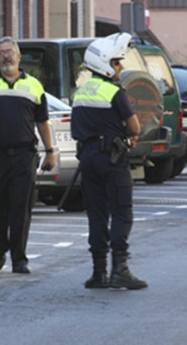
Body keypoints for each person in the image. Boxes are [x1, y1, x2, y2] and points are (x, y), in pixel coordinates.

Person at [70, 32, 147, 290]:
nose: (120, 67)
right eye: (116, 62)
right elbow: (134, 127)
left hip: (88, 159)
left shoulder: (81, 93)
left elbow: (76, 130)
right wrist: (125, 133)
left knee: (96, 214)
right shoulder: (114, 92)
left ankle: (98, 272)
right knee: (121, 212)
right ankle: (120, 270)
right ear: (104, 64)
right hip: (112, 160)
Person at [0, 36, 55, 274]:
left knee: (22, 208)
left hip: (24, 156)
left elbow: (42, 122)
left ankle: (19, 258)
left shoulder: (34, 85)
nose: (6, 56)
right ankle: (0, 246)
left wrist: (50, 151)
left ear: (19, 56)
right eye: (1, 52)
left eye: (10, 51)